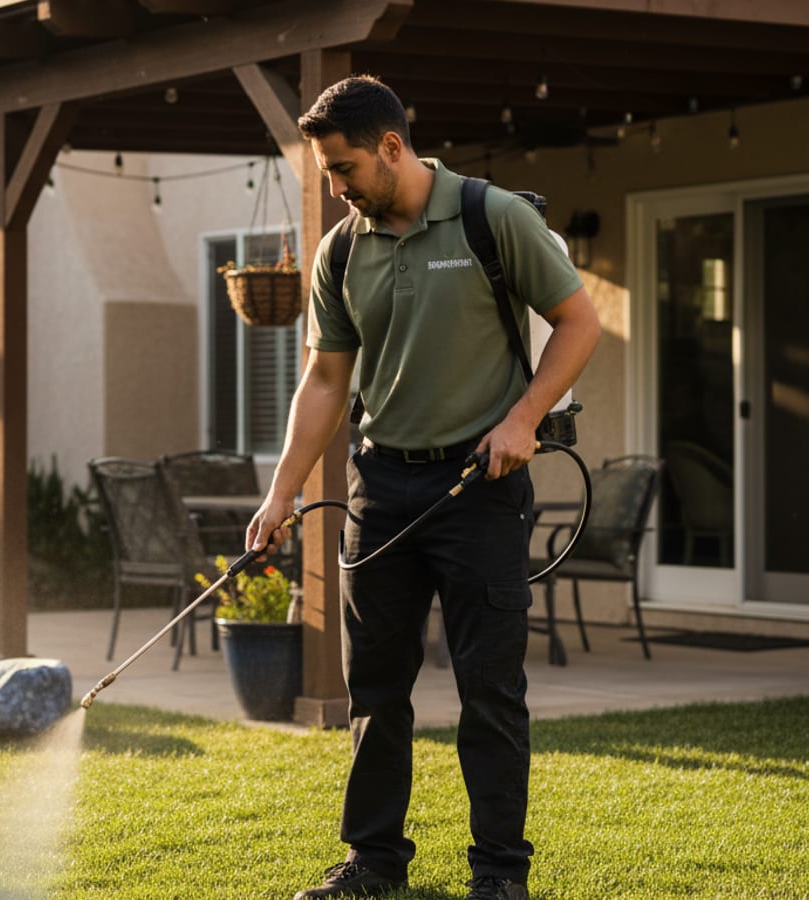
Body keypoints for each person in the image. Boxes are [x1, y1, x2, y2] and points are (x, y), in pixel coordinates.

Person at [245, 76, 601, 900]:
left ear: (393, 148)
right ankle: (373, 863)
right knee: (375, 687)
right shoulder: (343, 250)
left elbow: (580, 323)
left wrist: (522, 421)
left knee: (489, 688)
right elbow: (327, 379)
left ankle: (499, 877)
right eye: (328, 172)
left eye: (343, 168)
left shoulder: (490, 217)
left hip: (481, 484)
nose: (336, 186)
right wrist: (283, 491)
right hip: (381, 486)